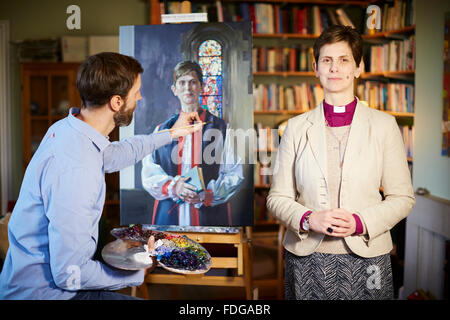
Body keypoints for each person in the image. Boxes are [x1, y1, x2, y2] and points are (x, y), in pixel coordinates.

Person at [0, 52, 202, 300]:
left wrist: (172, 133)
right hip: (48, 294)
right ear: (117, 102)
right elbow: (69, 274)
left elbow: (115, 154)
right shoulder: (77, 169)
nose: (140, 97)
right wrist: (137, 274)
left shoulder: (70, 129)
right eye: (136, 91)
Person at [267, 25, 415, 300]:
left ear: (358, 67)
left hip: (368, 256)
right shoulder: (296, 128)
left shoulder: (384, 126)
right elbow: (277, 198)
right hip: (307, 256)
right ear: (316, 68)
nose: (335, 68)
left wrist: (360, 222)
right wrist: (309, 218)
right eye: (327, 60)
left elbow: (402, 197)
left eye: (344, 60)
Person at [141, 61, 243, 226]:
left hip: (209, 215)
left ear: (202, 87)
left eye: (193, 82)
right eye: (182, 82)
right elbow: (148, 172)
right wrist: (174, 187)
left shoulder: (222, 128)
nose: (187, 88)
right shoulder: (162, 130)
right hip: (170, 214)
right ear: (174, 90)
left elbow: (234, 173)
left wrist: (206, 194)